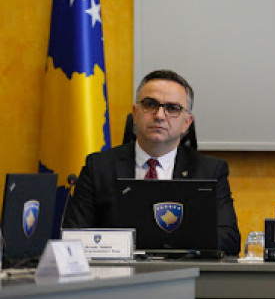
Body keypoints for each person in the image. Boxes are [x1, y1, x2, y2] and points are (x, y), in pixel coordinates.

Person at [63, 69, 240, 255]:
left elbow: (229, 238)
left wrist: (169, 245)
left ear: (187, 123)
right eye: (150, 104)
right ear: (135, 113)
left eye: (172, 108)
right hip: (118, 271)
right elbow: (74, 236)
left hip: (183, 270)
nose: (160, 115)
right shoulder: (99, 167)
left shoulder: (210, 171)